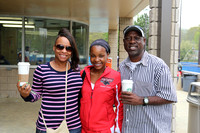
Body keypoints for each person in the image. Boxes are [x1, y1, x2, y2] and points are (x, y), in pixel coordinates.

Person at [17, 28, 82, 133]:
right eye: (60, 47)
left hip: (74, 126)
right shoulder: (42, 70)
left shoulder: (76, 70)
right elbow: (36, 95)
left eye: (68, 48)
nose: (64, 51)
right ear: (54, 48)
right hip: (47, 127)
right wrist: (25, 94)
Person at [119, 25, 177, 133]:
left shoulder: (158, 66)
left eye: (136, 38)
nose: (132, 41)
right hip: (128, 129)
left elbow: (170, 96)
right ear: (124, 42)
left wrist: (141, 100)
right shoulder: (122, 67)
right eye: (128, 38)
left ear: (144, 41)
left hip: (152, 129)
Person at [80, 39, 123, 133]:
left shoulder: (115, 77)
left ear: (107, 55)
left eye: (101, 56)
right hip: (83, 129)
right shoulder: (83, 74)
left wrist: (117, 128)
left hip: (105, 129)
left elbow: (120, 105)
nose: (96, 60)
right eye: (93, 56)